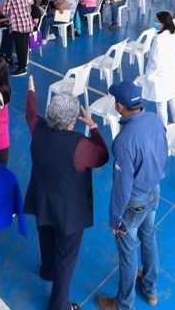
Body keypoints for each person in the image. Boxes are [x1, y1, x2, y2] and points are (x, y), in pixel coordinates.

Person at [24, 79, 109, 310]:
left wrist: (31, 90)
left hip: (42, 200)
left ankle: (46, 269)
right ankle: (59, 305)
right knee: (66, 259)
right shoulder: (79, 145)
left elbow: (30, 113)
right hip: (68, 211)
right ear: (72, 121)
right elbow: (102, 156)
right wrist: (93, 127)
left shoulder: (38, 129)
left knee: (46, 237)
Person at [96, 81, 168, 310]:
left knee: (127, 253)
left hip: (134, 202)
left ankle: (124, 304)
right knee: (149, 238)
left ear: (119, 106)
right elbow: (164, 152)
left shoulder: (123, 141)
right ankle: (150, 289)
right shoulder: (155, 120)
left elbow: (122, 187)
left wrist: (115, 219)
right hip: (154, 191)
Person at [138, 11, 175, 127]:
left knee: (161, 103)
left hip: (159, 75)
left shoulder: (158, 40)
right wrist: (173, 66)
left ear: (162, 24)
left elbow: (155, 61)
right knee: (172, 97)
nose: (155, 23)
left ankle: (163, 127)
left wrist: (149, 76)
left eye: (156, 21)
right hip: (171, 72)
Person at [1, 0, 33, 76]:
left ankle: (22, 69)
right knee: (24, 45)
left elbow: (4, 12)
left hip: (18, 25)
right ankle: (22, 63)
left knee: (20, 47)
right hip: (27, 23)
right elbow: (29, 9)